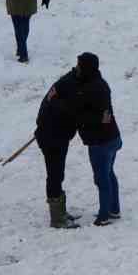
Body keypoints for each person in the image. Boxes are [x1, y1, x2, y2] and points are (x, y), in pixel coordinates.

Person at [36, 61, 87, 228]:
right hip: (52, 138)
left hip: (53, 135)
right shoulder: (69, 87)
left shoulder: (66, 82)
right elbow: (68, 112)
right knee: (55, 175)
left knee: (58, 174)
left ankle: (61, 212)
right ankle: (57, 218)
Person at [74, 52, 123, 226]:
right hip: (112, 138)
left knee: (101, 178)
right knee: (108, 174)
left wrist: (81, 120)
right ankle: (114, 209)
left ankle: (104, 215)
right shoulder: (99, 84)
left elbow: (104, 116)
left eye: (79, 65)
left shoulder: (93, 88)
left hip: (101, 142)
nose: (77, 68)